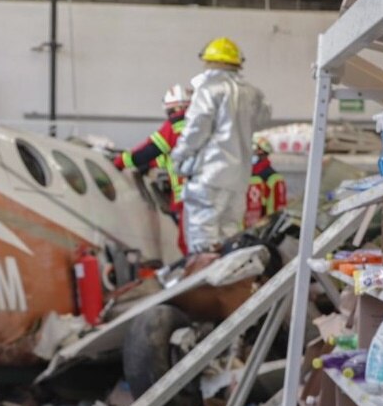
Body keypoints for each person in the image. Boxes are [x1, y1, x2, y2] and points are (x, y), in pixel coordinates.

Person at [171, 37, 272, 254]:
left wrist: (179, 157)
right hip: (238, 178)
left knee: (203, 239)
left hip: (209, 176)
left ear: (209, 61)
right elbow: (263, 119)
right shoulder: (253, 94)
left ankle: (205, 275)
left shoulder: (209, 89)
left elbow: (197, 127)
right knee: (230, 236)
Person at [113, 83, 193, 254]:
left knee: (189, 244)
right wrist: (150, 165)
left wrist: (121, 161)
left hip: (189, 197)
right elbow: (174, 156)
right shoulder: (205, 126)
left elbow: (150, 149)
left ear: (175, 109)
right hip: (211, 194)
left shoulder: (176, 125)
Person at [244, 138, 287, 228]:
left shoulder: (271, 177)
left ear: (263, 153)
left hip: (263, 225)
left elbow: (276, 207)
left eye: (255, 151)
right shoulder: (250, 174)